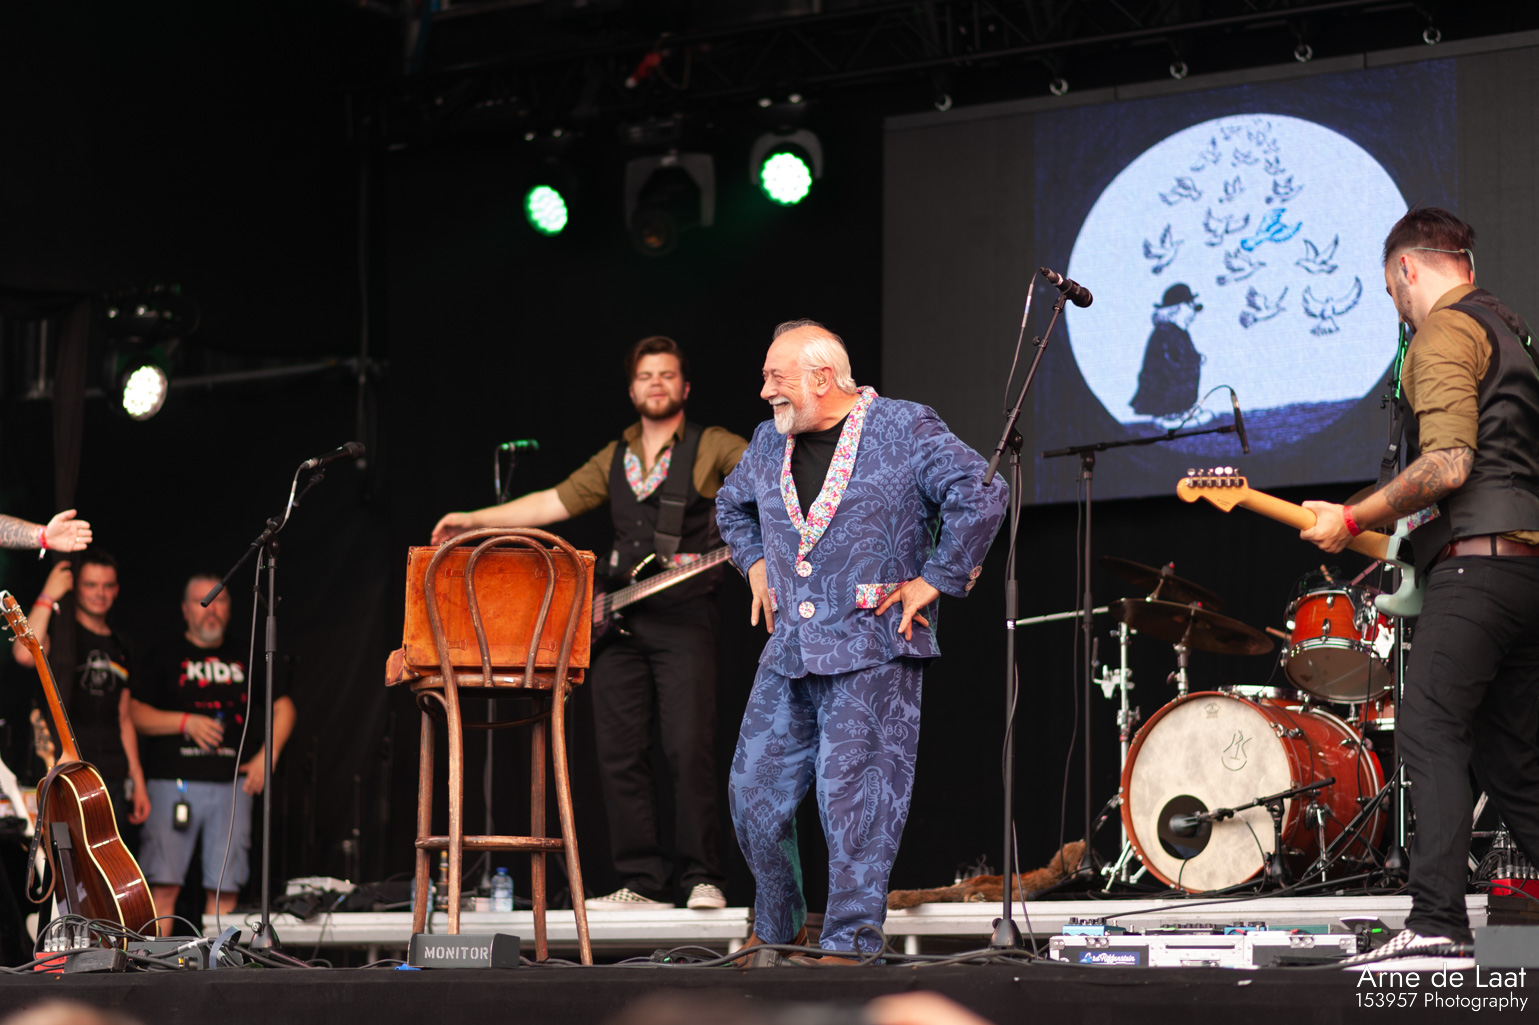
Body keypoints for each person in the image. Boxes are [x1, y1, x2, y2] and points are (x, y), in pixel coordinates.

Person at [715, 320, 1007, 962]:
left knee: (854, 805)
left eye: (776, 377)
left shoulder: (903, 426)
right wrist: (756, 564)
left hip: (872, 643)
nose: (765, 390)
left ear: (823, 378)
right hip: (790, 649)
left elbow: (982, 492)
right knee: (752, 794)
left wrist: (936, 579)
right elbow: (731, 505)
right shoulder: (767, 442)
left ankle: (849, 945)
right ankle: (780, 926)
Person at [431, 336, 748, 912]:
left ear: (685, 387)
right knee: (619, 756)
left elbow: (765, 478)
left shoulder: (713, 444)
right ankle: (642, 883)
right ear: (631, 390)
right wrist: (473, 520)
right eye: (646, 375)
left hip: (684, 619)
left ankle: (703, 877)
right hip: (618, 622)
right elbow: (551, 502)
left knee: (688, 749)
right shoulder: (614, 457)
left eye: (667, 374)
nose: (656, 383)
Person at [1300, 207, 1539, 958]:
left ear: (1406, 268)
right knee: (1511, 762)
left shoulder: (1441, 330)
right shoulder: (1512, 333)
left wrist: (1351, 515)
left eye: (1388, 290)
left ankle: (1435, 924)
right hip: (1526, 574)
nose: (1396, 306)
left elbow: (1448, 464)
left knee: (1429, 726)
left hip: (1480, 570)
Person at [130, 574, 296, 934]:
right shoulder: (163, 655)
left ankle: (219, 964)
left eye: (220, 601)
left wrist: (267, 757)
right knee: (162, 886)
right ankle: (152, 964)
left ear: (230, 610)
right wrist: (184, 722)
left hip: (232, 786)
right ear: (185, 609)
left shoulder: (248, 655)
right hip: (170, 783)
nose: (211, 609)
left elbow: (284, 707)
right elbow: (134, 714)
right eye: (202, 601)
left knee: (225, 889)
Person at [10, 551, 149, 841]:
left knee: (109, 860)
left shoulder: (122, 644)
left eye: (107, 586)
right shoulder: (62, 634)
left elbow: (124, 717)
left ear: (117, 589)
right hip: (66, 770)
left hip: (111, 773)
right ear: (76, 587)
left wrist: (137, 778)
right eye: (90, 585)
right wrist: (48, 595)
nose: (100, 593)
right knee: (65, 860)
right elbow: (23, 655)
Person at [1131, 283, 1205, 426]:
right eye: (1189, 306)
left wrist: (1196, 358)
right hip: (1164, 390)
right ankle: (1169, 415)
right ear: (1175, 310)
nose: (1193, 313)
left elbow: (1187, 353)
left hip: (1180, 389)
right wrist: (1192, 360)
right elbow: (1171, 361)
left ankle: (1182, 411)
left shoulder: (1180, 333)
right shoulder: (1165, 333)